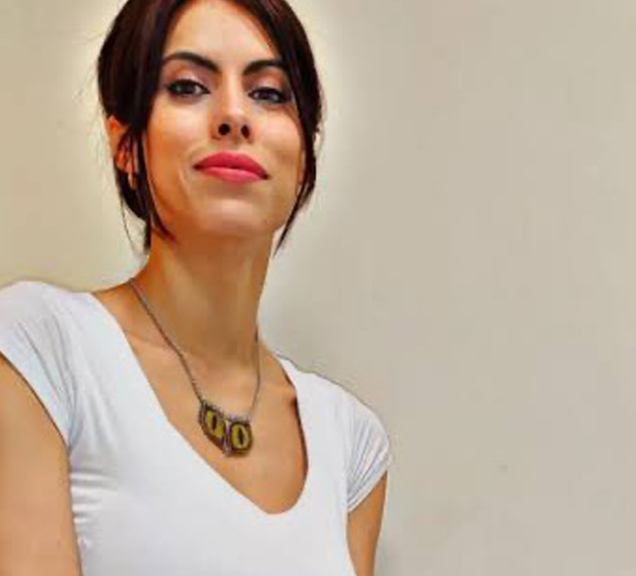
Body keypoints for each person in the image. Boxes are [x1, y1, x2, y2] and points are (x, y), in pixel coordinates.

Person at [0, 0, 392, 574]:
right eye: (187, 87)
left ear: (305, 159)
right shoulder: (40, 352)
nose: (234, 115)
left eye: (269, 93)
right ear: (126, 145)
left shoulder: (350, 441)